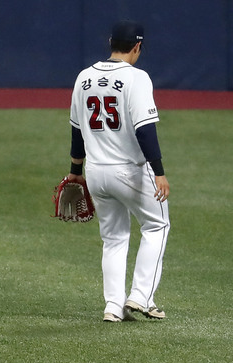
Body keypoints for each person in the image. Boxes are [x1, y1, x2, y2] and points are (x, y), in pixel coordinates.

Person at [67, 20, 170, 322]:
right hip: (131, 172)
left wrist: (75, 171)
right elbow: (145, 130)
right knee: (156, 226)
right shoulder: (137, 78)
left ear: (111, 42)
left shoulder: (84, 77)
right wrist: (159, 171)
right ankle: (139, 296)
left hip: (97, 172)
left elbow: (76, 130)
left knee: (113, 238)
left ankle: (113, 306)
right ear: (137, 46)